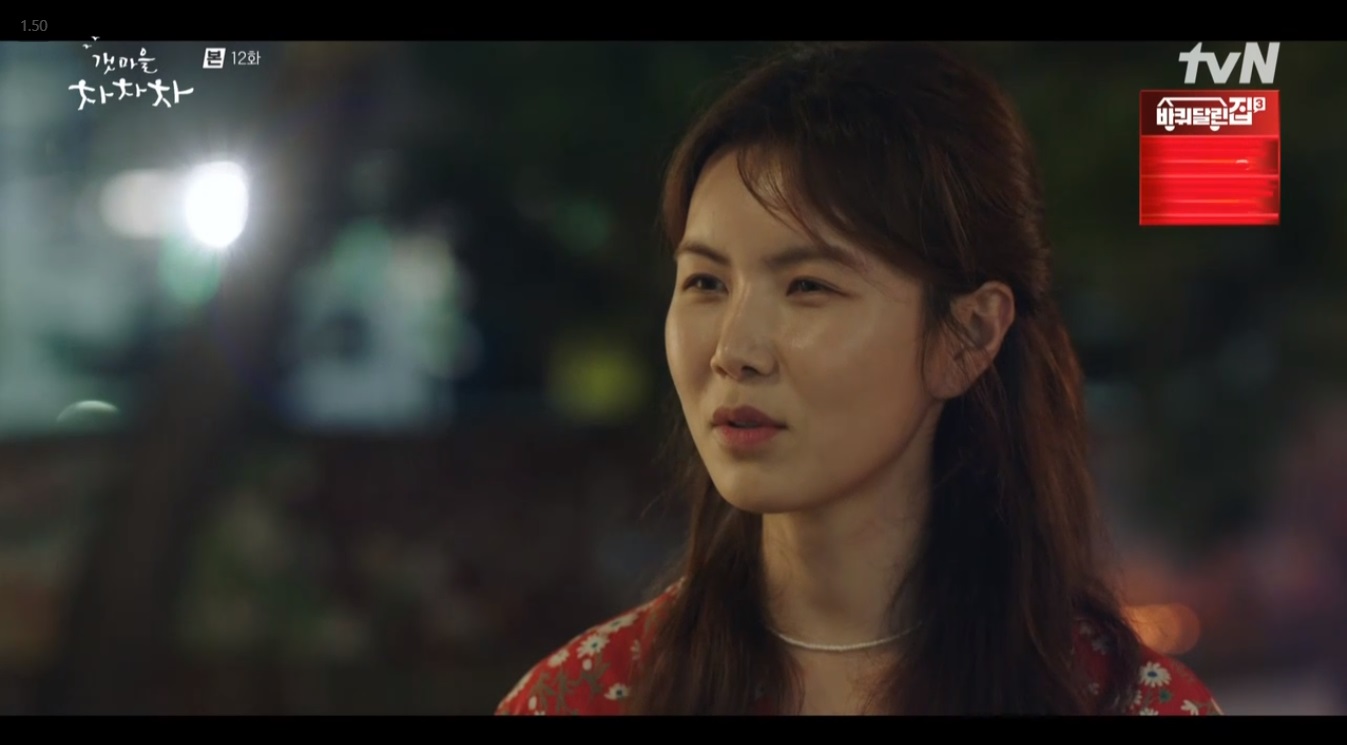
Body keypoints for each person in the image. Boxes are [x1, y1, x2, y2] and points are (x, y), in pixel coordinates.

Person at [496, 41, 1222, 715]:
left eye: (808, 286)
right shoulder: (582, 699)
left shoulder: (1124, 704)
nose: (733, 349)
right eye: (705, 283)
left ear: (968, 335)